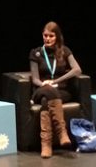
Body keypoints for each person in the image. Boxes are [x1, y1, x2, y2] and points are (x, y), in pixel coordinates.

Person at [29, 21, 82, 158]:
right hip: (41, 89)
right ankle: (61, 132)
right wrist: (44, 84)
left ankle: (46, 144)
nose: (47, 39)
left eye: (51, 36)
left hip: (61, 91)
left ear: (57, 36)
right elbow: (35, 79)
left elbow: (77, 70)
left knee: (46, 100)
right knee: (47, 92)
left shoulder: (65, 51)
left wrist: (55, 82)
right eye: (45, 35)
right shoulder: (36, 53)